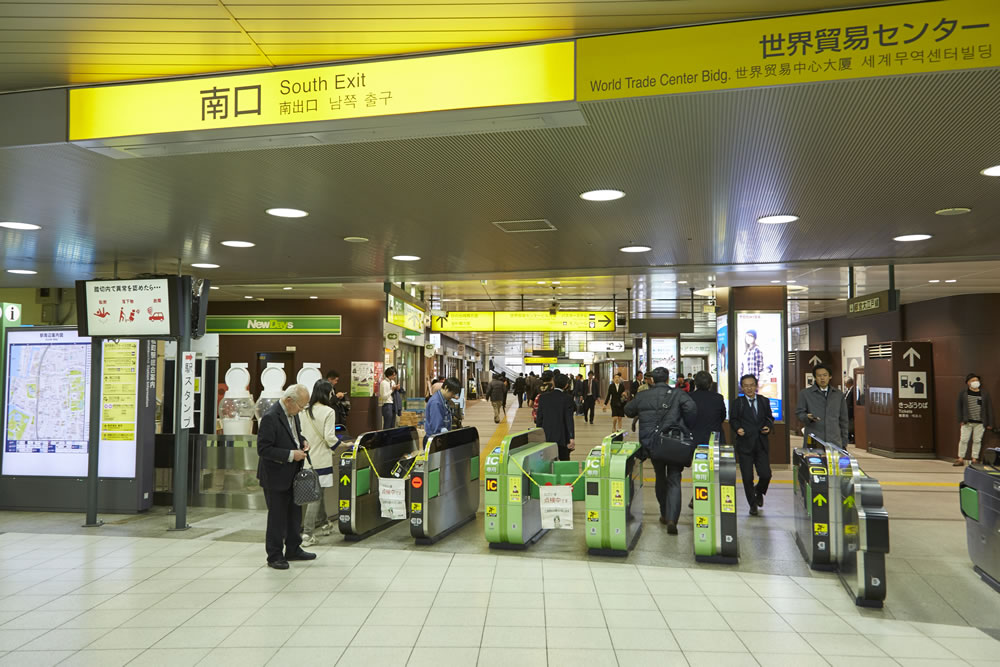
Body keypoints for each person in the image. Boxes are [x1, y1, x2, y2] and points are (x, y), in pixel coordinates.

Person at [623, 367, 696, 534]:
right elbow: (691, 409)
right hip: (674, 441)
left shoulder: (642, 395)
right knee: (675, 479)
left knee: (660, 477)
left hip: (653, 443)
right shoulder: (678, 394)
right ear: (668, 378)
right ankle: (672, 519)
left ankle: (664, 513)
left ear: (652, 380)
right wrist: (685, 426)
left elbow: (628, 410)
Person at [256, 384, 315, 569]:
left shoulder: (293, 414)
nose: (301, 410)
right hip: (275, 476)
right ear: (289, 401)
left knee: (293, 515)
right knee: (277, 517)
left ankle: (293, 549)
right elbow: (264, 449)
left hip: (293, 475)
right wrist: (291, 454)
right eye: (300, 406)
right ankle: (274, 555)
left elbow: (293, 436)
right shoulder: (270, 417)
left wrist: (303, 442)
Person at [298, 380, 339, 546]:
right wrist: (341, 445)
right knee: (315, 496)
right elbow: (329, 437)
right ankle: (307, 534)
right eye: (331, 392)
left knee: (318, 493)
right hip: (322, 459)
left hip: (307, 459)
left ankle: (324, 523)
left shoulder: (305, 411)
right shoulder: (328, 411)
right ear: (327, 393)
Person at [730, 374, 773, 516]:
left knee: (766, 474)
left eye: (751, 385)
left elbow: (769, 418)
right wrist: (737, 429)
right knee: (747, 477)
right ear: (742, 387)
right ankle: (752, 504)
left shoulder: (764, 401)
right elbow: (733, 420)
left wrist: (768, 426)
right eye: (746, 386)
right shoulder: (738, 403)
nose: (749, 388)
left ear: (756, 386)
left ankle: (759, 491)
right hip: (745, 445)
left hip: (761, 444)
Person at [796, 364, 849, 446]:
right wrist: (806, 417)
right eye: (819, 376)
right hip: (814, 439)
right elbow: (799, 413)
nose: (822, 378)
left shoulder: (838, 395)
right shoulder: (805, 394)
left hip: (834, 440)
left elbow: (844, 419)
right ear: (815, 377)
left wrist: (844, 441)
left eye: (825, 375)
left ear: (830, 376)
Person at [955, 373, 995, 466]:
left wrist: (990, 423)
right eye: (973, 381)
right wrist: (960, 419)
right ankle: (960, 459)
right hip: (967, 421)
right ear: (968, 383)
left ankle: (974, 459)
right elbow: (959, 407)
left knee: (977, 440)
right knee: (964, 440)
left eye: (976, 380)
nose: (975, 382)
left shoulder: (984, 393)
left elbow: (988, 408)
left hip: (980, 422)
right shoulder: (963, 393)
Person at [535, 373, 576, 460]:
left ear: (553, 383)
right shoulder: (568, 398)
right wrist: (571, 437)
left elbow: (539, 419)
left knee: (547, 461)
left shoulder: (543, 398)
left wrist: (539, 435)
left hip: (547, 436)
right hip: (563, 437)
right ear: (566, 385)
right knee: (564, 461)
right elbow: (569, 419)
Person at [690, 371, 726, 446]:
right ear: (711, 383)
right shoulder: (718, 398)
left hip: (694, 437)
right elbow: (722, 416)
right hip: (714, 437)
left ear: (695, 383)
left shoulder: (689, 397)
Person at [425, 377, 461, 444]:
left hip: (440, 439)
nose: (453, 396)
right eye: (452, 393)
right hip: (435, 441)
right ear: (446, 388)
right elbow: (437, 427)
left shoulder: (443, 399)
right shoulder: (436, 403)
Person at [844, 377, 856, 444]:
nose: (845, 385)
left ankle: (852, 438)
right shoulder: (848, 390)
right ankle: (848, 438)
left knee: (851, 426)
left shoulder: (853, 390)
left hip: (850, 412)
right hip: (846, 411)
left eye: (845, 383)